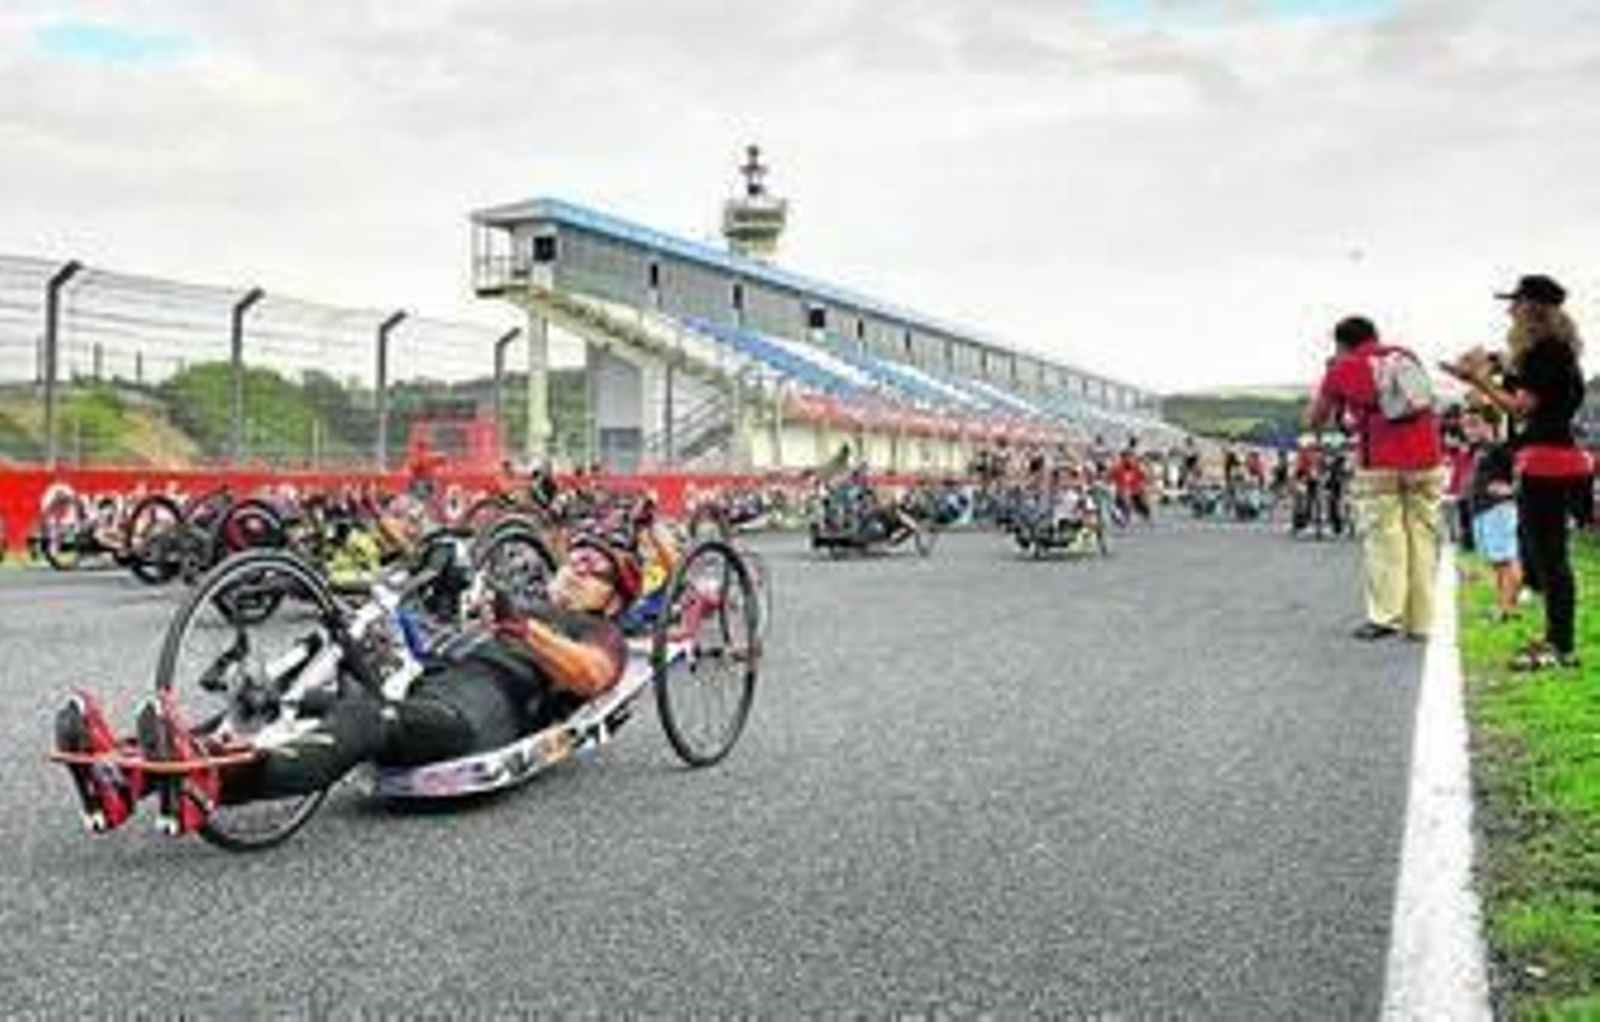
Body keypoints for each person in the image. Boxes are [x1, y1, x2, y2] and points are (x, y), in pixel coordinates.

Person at [54, 532, 643, 835]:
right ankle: (131, 774)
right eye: (575, 557)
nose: (577, 567)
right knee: (305, 695)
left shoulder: (598, 632)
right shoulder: (515, 604)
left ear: (613, 599)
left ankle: (209, 783)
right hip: (426, 687)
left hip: (476, 718)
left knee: (369, 719)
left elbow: (591, 676)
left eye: (595, 568)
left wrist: (524, 630)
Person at [1444, 274, 1591, 670]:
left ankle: (1561, 646)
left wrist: (1478, 379)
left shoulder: (1547, 352)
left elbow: (1520, 408)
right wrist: (1489, 369)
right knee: (1541, 554)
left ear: (1532, 309)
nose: (1510, 311)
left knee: (1550, 557)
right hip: (1550, 456)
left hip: (1547, 459)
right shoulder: (1553, 352)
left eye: (1516, 303)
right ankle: (1557, 638)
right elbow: (1519, 386)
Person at [1306, 315, 1445, 640]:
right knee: (1423, 538)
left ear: (1341, 343)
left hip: (1381, 461)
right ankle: (1422, 623)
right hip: (1427, 458)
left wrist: (1332, 381)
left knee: (1384, 539)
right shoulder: (1404, 355)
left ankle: (1386, 616)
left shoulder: (1343, 367)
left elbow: (1314, 419)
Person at [1462, 406, 1522, 623]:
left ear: (1491, 425)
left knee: (1505, 560)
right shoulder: (1479, 449)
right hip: (1483, 510)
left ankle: (1507, 609)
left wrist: (1512, 490)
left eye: (1474, 424)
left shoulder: (1499, 448)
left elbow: (1522, 470)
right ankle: (1505, 606)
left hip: (1498, 510)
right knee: (1498, 562)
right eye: (1466, 425)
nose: (1469, 430)